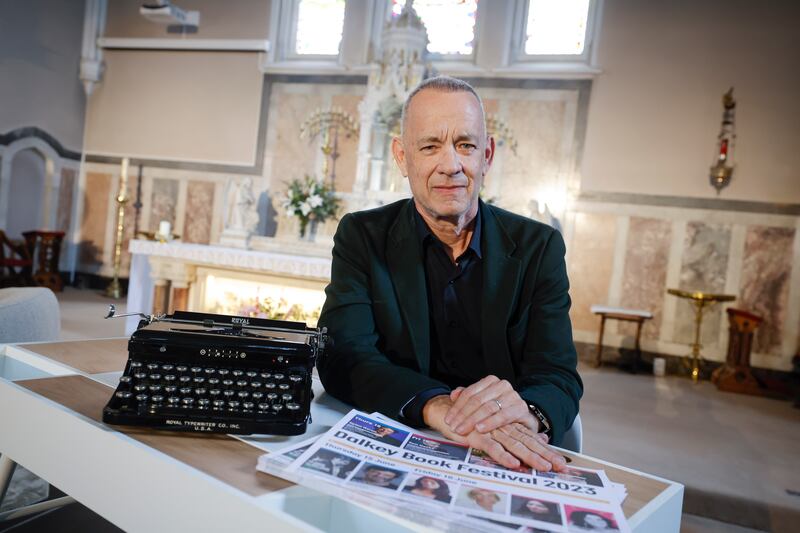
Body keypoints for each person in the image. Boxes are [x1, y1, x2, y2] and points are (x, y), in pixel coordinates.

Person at [318, 75, 582, 472]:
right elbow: (343, 355)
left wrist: (525, 414)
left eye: (465, 145)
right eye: (430, 146)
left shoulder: (538, 247)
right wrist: (437, 406)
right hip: (400, 435)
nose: (451, 166)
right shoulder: (362, 236)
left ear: (486, 156)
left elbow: (557, 374)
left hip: (501, 450)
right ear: (402, 156)